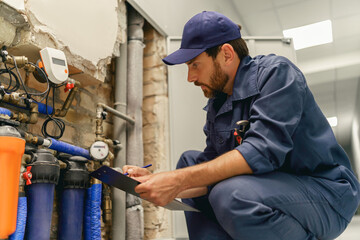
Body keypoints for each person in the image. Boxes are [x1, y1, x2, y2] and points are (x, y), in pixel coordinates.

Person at [123, 11, 360, 240]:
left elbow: (261, 152)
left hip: (326, 194)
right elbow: (208, 174)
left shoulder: (277, 74)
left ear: (226, 54)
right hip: (270, 188)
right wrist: (158, 183)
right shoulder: (219, 103)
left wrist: (177, 181)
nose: (190, 77)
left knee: (230, 194)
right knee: (190, 163)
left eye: (195, 64)